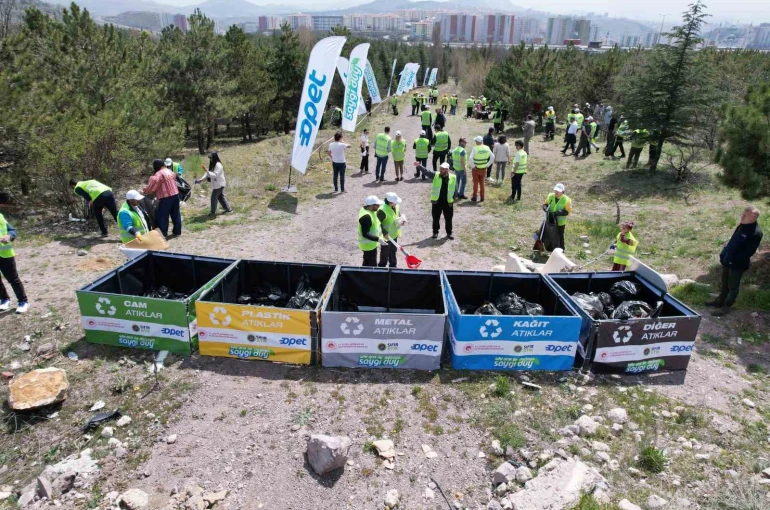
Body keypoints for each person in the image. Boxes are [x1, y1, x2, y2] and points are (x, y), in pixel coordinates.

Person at [707, 206, 763, 316]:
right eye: (742, 214)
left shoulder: (756, 233)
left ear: (753, 218)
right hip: (728, 260)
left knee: (733, 287)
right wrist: (724, 254)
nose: (741, 216)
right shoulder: (742, 226)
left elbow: (748, 252)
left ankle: (726, 307)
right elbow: (733, 242)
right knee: (724, 283)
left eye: (745, 215)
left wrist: (733, 261)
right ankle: (719, 302)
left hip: (737, 264)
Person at [414, 162, 456, 240]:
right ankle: (435, 232)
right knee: (436, 218)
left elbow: (455, 189)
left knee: (449, 219)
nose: (441, 170)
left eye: (443, 169)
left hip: (448, 202)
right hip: (437, 202)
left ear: (447, 170)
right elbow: (427, 172)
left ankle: (449, 233)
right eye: (441, 169)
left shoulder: (453, 177)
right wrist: (419, 166)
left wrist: (454, 197)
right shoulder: (436, 175)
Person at [0, 212, 29, 314]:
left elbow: (12, 231)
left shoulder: (0, 217)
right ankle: (4, 299)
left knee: (13, 279)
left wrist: (9, 236)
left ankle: (23, 301)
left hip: (5, 254)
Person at [144, 159, 181, 237]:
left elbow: (152, 188)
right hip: (175, 195)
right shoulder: (170, 171)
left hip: (165, 198)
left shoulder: (158, 175)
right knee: (176, 214)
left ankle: (163, 234)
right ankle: (177, 232)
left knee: (163, 216)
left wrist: (144, 190)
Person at [377, 192, 404, 267]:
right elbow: (377, 224)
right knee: (384, 253)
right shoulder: (382, 211)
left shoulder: (396, 206)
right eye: (395, 203)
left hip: (394, 235)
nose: (396, 204)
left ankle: (393, 266)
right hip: (386, 237)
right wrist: (384, 233)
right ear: (390, 202)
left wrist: (401, 219)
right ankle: (382, 267)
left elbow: (397, 215)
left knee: (393, 251)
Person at [358, 195, 387, 267]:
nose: (379, 207)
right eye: (377, 205)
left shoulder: (369, 210)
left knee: (366, 262)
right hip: (368, 246)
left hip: (371, 244)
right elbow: (365, 233)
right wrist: (378, 239)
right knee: (372, 265)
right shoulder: (366, 217)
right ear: (372, 205)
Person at [543, 183, 572, 251]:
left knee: (560, 235)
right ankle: (550, 248)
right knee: (549, 234)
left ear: (562, 191)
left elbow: (567, 211)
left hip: (560, 222)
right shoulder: (550, 196)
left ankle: (561, 249)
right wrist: (545, 208)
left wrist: (558, 213)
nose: (556, 192)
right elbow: (545, 204)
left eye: (558, 191)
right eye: (555, 190)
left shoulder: (567, 199)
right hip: (550, 220)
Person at [468, 136, 493, 203]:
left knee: (475, 183)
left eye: (475, 141)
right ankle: (482, 197)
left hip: (476, 169)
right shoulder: (487, 148)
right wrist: (487, 165)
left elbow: (470, 158)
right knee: (482, 183)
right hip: (484, 169)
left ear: (477, 142)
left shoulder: (475, 148)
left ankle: (475, 196)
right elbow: (492, 157)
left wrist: (473, 166)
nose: (475, 142)